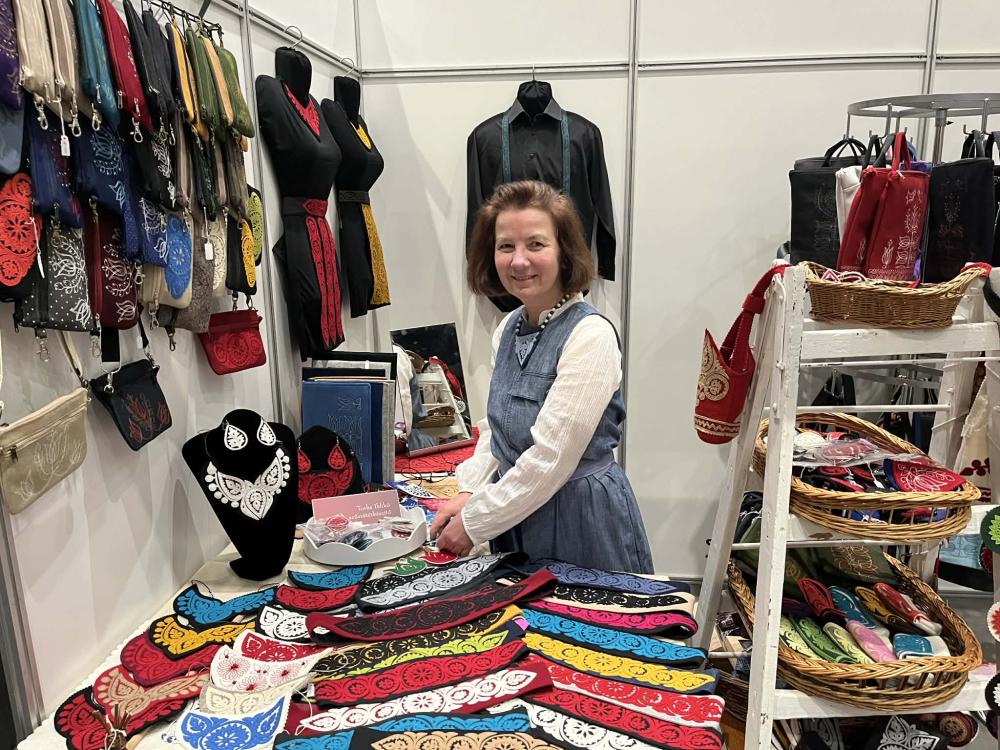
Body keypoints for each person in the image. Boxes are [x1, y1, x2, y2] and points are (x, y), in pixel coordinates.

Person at [430, 180, 654, 573]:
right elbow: (497, 431)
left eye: (535, 244)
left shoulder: (591, 336)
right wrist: (470, 491)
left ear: (564, 251)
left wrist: (475, 522)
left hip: (581, 522)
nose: (519, 261)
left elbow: (552, 458)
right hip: (516, 513)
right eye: (505, 246)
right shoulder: (508, 328)